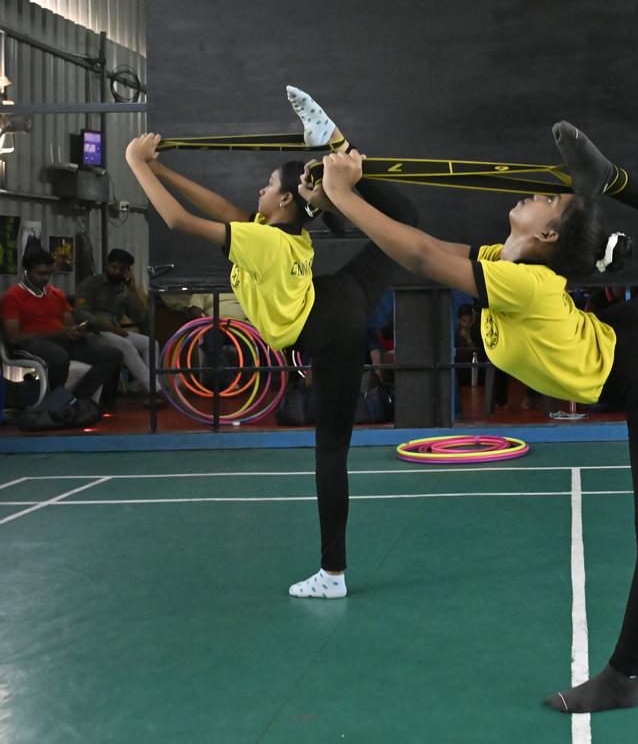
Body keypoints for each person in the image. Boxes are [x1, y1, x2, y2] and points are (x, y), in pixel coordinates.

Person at [302, 91, 638, 713]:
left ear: (548, 232)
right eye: (549, 194)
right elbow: (425, 245)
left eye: (547, 199)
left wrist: (342, 196)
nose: (532, 193)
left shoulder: (523, 281)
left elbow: (415, 255)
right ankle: (601, 184)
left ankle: (623, 677)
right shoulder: (508, 263)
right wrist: (343, 174)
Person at [123, 86, 418, 601]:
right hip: (341, 297)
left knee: (331, 451)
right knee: (403, 226)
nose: (257, 192)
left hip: (329, 328)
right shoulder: (278, 232)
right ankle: (337, 146)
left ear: (285, 199)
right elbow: (223, 210)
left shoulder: (263, 240)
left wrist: (135, 163)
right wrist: (162, 167)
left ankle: (332, 574)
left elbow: (176, 220)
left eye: (266, 185)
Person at [2, 248, 124, 411]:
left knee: (113, 354)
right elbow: (14, 337)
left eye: (48, 273)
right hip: (30, 343)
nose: (45, 278)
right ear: (26, 271)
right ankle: (55, 403)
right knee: (58, 357)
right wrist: (57, 334)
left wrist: (76, 331)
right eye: (40, 273)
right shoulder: (12, 297)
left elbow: (69, 323)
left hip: (61, 339)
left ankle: (75, 399)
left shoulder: (56, 294)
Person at [74, 248, 158, 402]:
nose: (117, 272)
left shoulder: (124, 289)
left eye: (122, 269)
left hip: (115, 331)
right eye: (114, 267)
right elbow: (81, 313)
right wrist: (107, 327)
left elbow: (139, 316)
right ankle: (155, 390)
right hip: (93, 332)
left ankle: (146, 385)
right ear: (107, 265)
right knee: (125, 344)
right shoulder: (91, 284)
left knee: (150, 344)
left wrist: (132, 290)